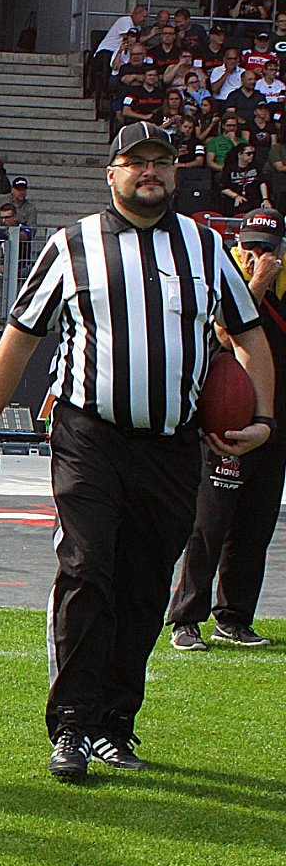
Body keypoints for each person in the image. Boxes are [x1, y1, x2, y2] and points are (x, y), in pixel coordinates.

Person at [0, 123, 274, 781]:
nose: (149, 172)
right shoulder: (71, 245)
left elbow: (248, 334)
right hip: (91, 436)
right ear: (113, 174)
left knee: (145, 584)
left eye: (161, 161)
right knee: (85, 569)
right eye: (136, 162)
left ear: (176, 172)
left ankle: (115, 721)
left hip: (173, 443)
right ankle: (72, 725)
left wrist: (263, 418)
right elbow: (19, 338)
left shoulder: (206, 246)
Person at [167, 207, 286, 651]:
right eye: (251, 247)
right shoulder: (224, 278)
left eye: (267, 249)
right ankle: (186, 618)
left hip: (274, 426)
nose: (258, 256)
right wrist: (257, 284)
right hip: (229, 423)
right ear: (238, 245)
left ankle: (234, 617)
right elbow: (223, 335)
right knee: (209, 524)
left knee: (255, 528)